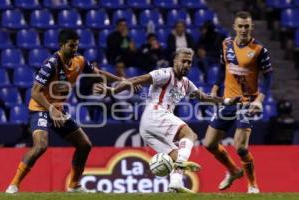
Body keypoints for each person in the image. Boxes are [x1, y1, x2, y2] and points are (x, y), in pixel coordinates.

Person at [94, 48, 240, 193]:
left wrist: (227, 101)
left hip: (147, 128)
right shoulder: (165, 73)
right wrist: (112, 91)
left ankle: (175, 184)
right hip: (155, 112)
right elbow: (136, 80)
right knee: (190, 135)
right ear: (175, 61)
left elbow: (205, 98)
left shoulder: (187, 84)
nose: (187, 65)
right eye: (183, 61)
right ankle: (182, 164)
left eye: (189, 62)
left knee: (176, 156)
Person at [6, 29, 123, 194]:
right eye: (71, 46)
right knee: (41, 145)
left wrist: (122, 81)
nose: (74, 49)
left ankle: (74, 185)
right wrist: (51, 109)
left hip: (57, 110)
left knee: (84, 145)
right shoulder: (51, 64)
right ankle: (13, 185)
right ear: (61, 45)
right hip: (40, 108)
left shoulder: (79, 61)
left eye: (76, 45)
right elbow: (35, 92)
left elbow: (99, 73)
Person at [203, 11, 273, 193]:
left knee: (240, 147)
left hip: (247, 103)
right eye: (240, 26)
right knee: (209, 144)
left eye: (246, 26)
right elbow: (221, 67)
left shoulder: (259, 50)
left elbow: (268, 77)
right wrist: (215, 88)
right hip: (228, 102)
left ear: (251, 27)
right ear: (234, 27)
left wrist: (259, 100)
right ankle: (233, 171)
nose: (243, 29)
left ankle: (252, 185)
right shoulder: (226, 44)